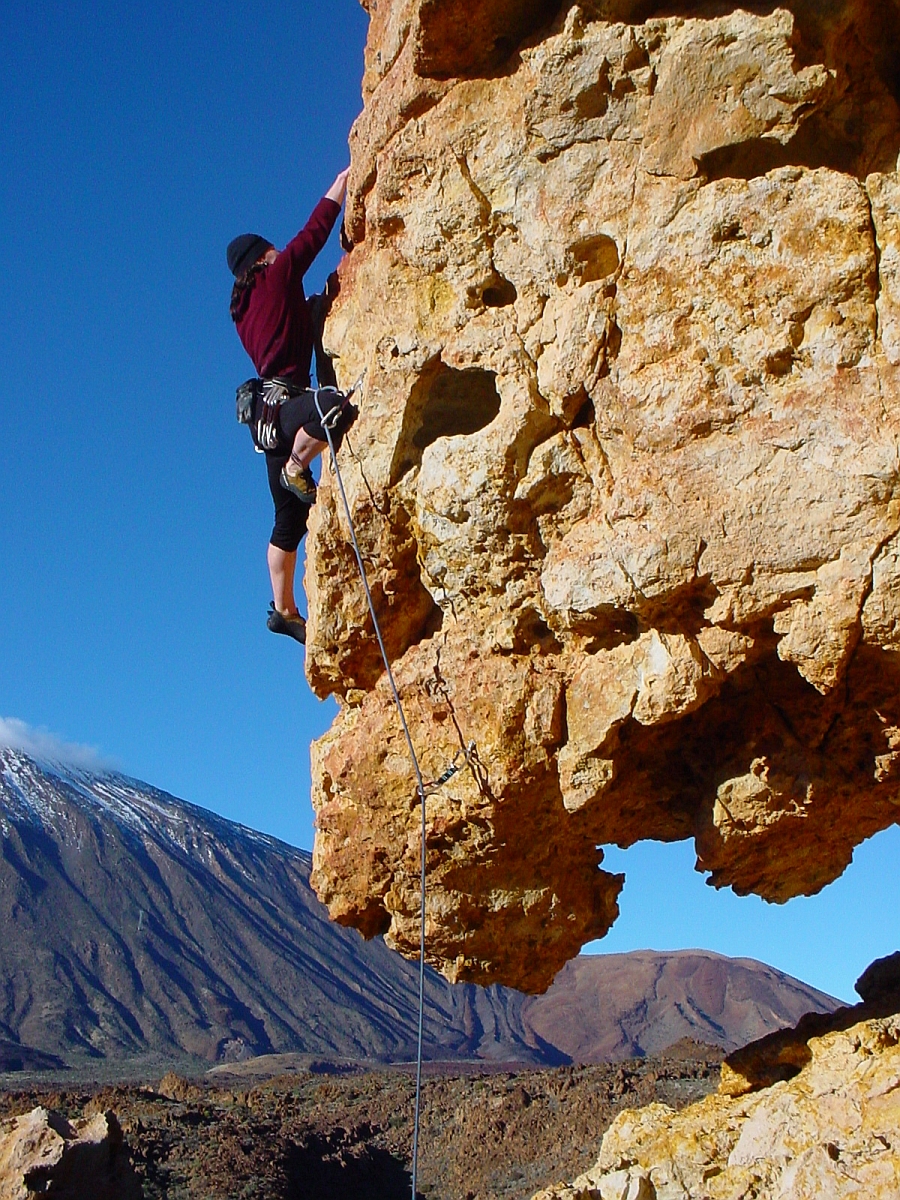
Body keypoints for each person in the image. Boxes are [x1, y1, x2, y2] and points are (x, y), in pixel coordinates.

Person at [228, 167, 354, 644]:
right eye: (273, 250)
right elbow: (315, 231)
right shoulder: (277, 275)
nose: (281, 252)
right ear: (263, 257)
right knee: (335, 406)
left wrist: (314, 311)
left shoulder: (244, 310)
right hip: (289, 409)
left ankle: (283, 609)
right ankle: (299, 462)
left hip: (265, 420)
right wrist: (341, 182)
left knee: (288, 520)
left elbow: (286, 329)